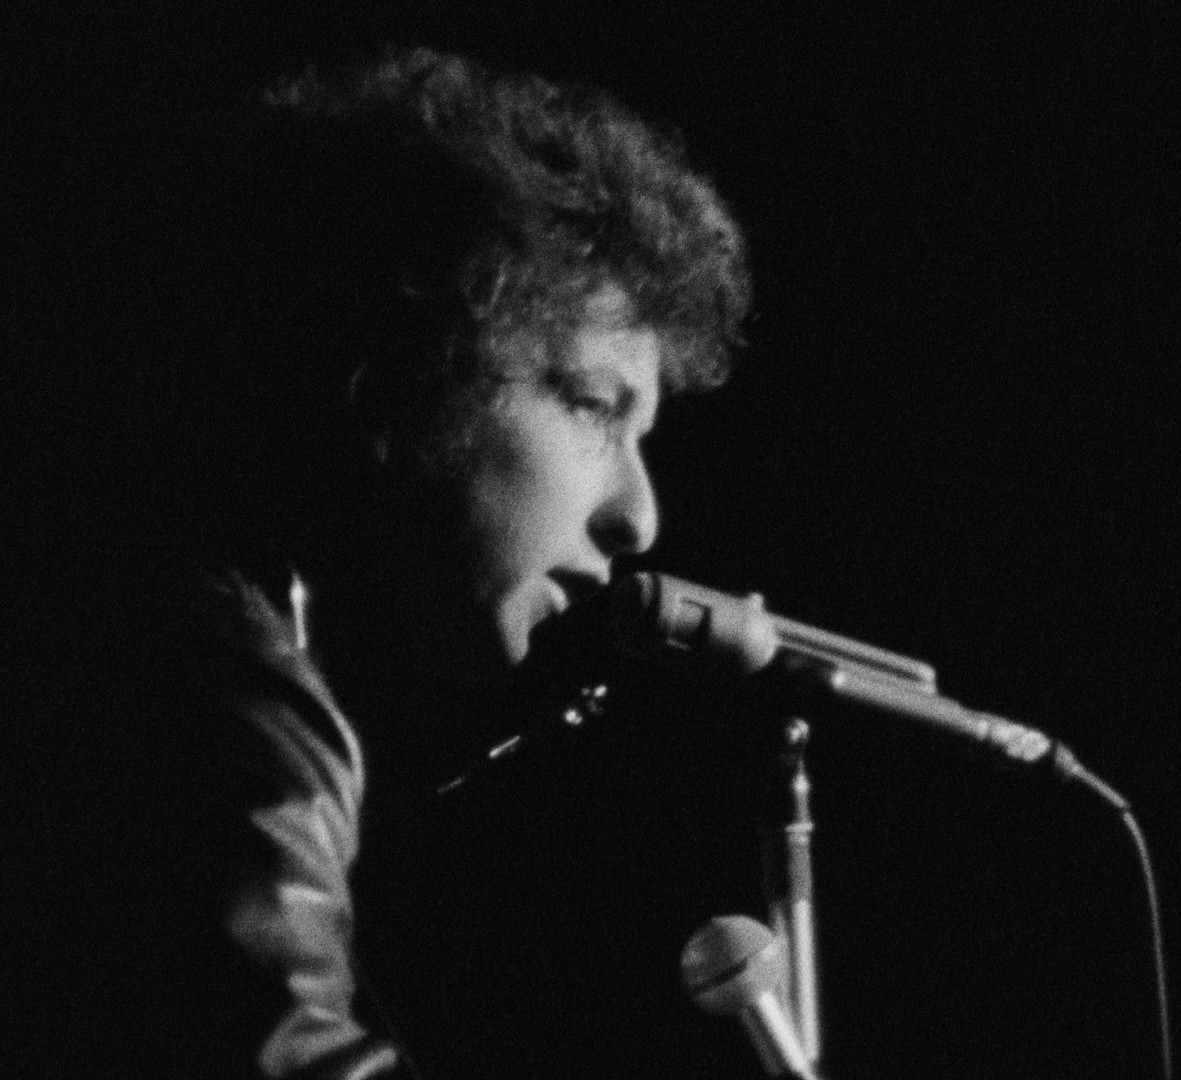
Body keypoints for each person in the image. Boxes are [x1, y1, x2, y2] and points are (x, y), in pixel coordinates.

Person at [10, 46, 751, 1078]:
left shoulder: (165, 589)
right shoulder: (208, 664)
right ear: (407, 372)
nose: (640, 514)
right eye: (590, 405)